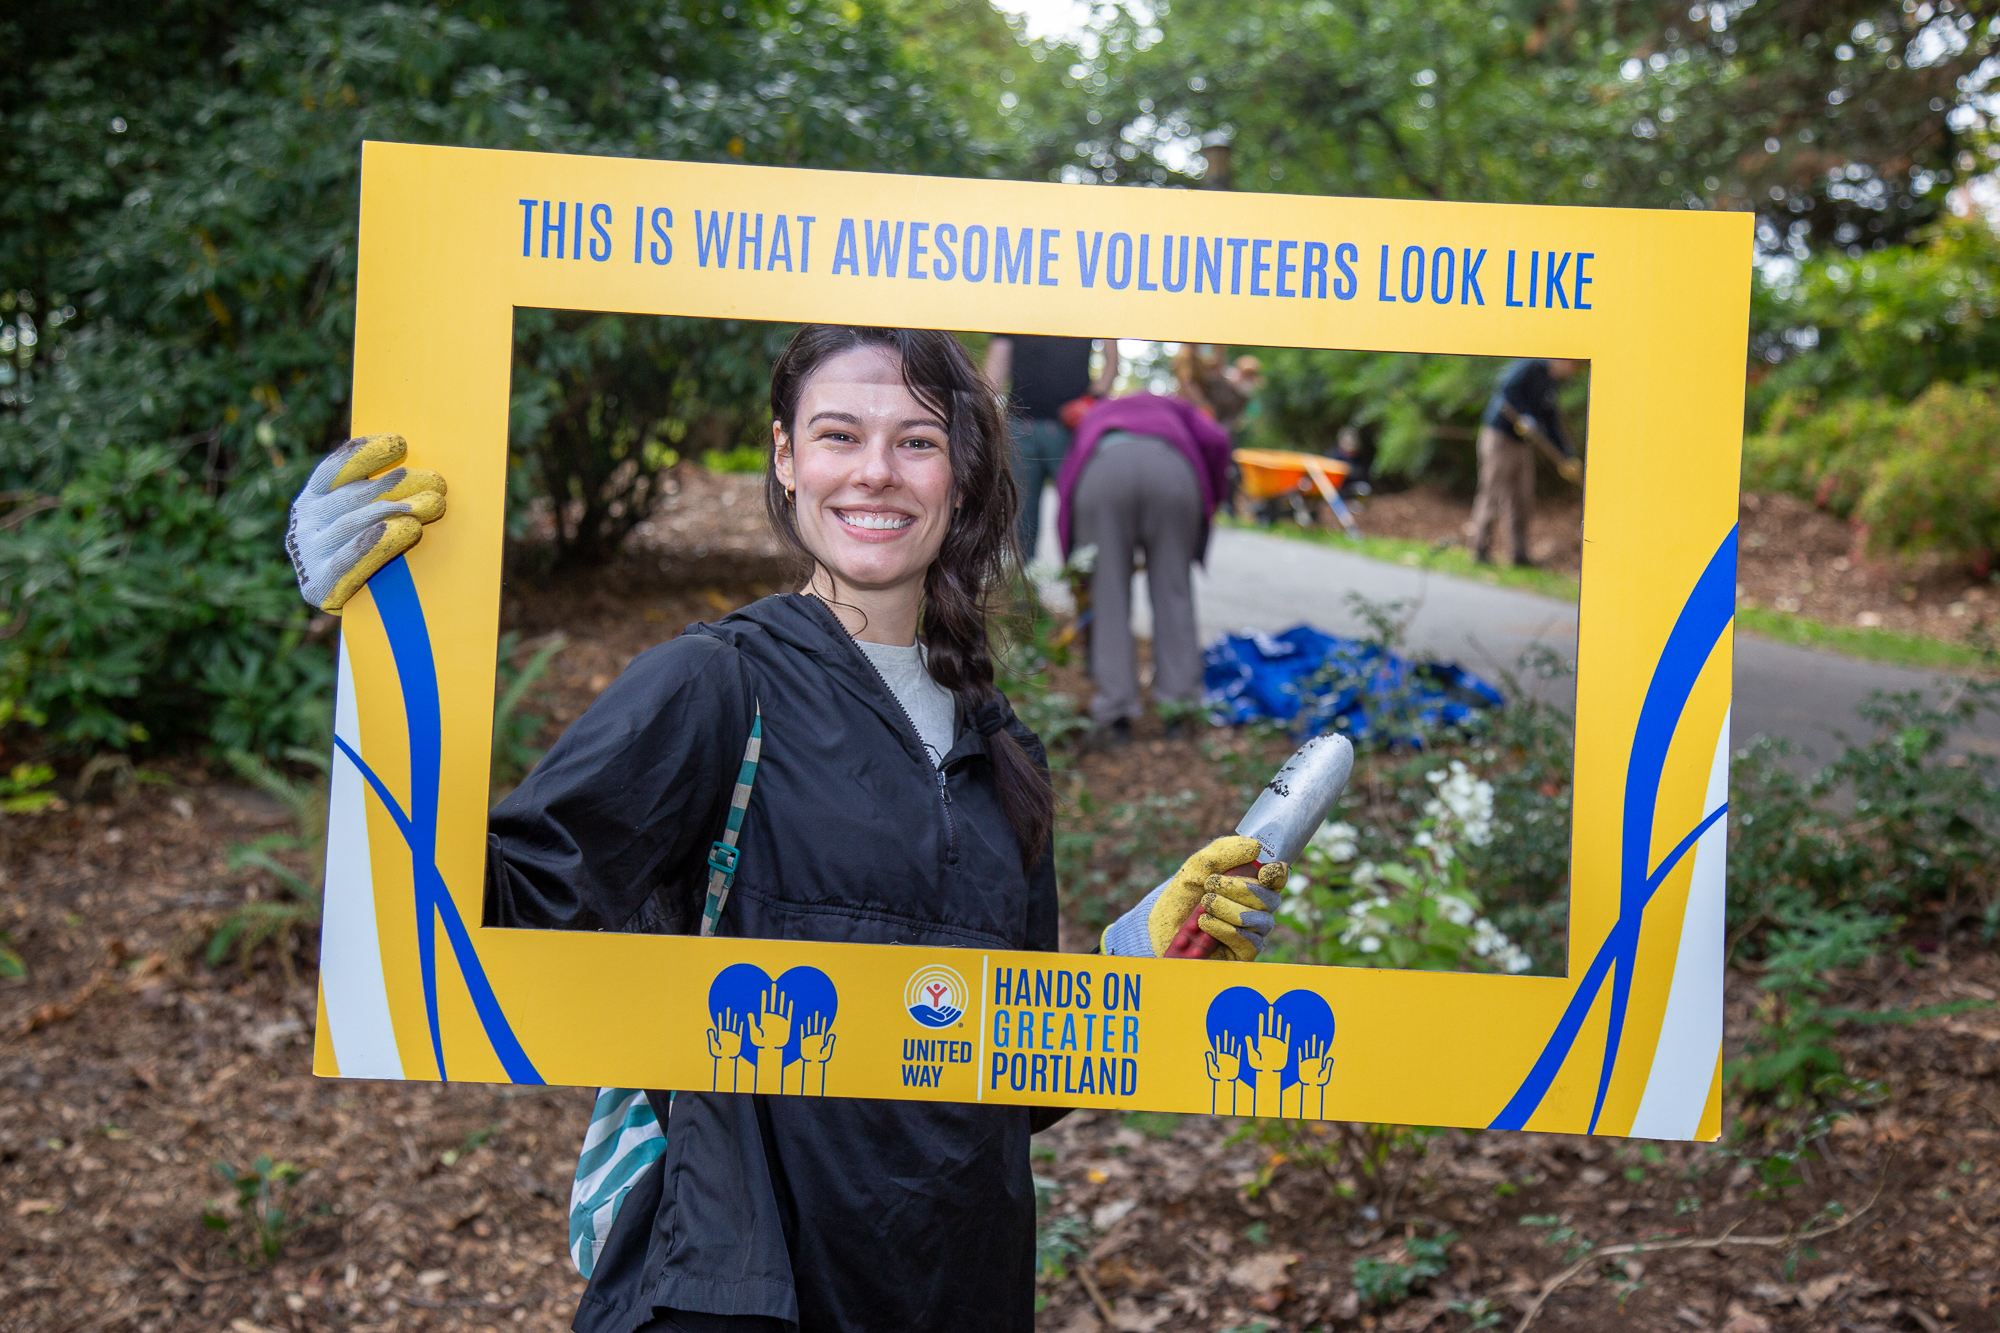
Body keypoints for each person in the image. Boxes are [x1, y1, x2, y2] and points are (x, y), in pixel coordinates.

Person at [283, 325, 1288, 1333]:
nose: (875, 472)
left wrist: (1135, 963)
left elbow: (1004, 1075)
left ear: (961, 472)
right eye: (838, 434)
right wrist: (381, 650)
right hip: (744, 1294)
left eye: (917, 441)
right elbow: (473, 914)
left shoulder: (1004, 749)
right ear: (785, 457)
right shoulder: (715, 684)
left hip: (958, 1291)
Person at [1054, 393, 1233, 746]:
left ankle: (1115, 714)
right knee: (1173, 592)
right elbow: (1216, 439)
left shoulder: (1098, 414)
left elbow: (1068, 479)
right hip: (1171, 472)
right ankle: (1180, 711)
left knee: (1107, 596)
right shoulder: (1175, 406)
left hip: (1104, 471)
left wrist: (1074, 565)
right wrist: (1212, 495)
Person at [982, 333, 1118, 561]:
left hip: (1070, 427)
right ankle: (1023, 579)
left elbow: (1112, 362)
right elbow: (994, 372)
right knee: (1020, 516)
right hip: (1019, 427)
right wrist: (979, 416)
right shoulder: (1015, 313)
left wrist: (1091, 400)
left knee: (1079, 510)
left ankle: (1081, 576)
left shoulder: (1091, 312)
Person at [1470, 357, 1582, 567]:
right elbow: (1505, 388)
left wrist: (1567, 456)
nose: (1572, 372)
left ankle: (1518, 555)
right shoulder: (1531, 366)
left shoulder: (1550, 383)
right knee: (1492, 493)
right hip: (1500, 437)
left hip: (1522, 444)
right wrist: (1524, 415)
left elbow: (1551, 422)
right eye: (1573, 365)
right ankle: (1480, 549)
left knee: (1522, 497)